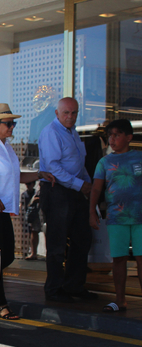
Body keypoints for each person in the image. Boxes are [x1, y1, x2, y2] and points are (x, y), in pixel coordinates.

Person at [0, 103, 55, 320]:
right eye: (8, 124)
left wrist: (39, 175)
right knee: (0, 256)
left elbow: (16, 177)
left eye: (13, 123)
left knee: (6, 255)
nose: (12, 127)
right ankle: (1, 304)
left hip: (4, 210)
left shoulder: (7, 148)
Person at [38, 97, 97, 303]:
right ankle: (54, 289)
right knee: (57, 244)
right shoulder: (51, 132)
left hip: (75, 190)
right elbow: (53, 167)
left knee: (82, 239)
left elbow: (79, 166)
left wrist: (88, 185)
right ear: (57, 114)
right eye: (66, 113)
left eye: (74, 113)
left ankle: (74, 285)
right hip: (57, 191)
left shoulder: (73, 134)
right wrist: (82, 185)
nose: (70, 117)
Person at [89, 119, 142, 312]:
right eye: (109, 135)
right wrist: (92, 212)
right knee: (118, 259)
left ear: (129, 137)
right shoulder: (104, 161)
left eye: (117, 135)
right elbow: (96, 188)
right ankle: (120, 300)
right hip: (116, 218)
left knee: (141, 257)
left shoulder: (139, 157)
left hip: (140, 217)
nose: (112, 139)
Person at [21, 181, 41, 260]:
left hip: (39, 213)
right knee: (32, 232)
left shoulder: (37, 192)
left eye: (29, 184)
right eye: (27, 184)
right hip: (32, 215)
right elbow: (22, 206)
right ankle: (32, 252)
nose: (28, 186)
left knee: (46, 233)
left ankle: (46, 252)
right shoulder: (24, 194)